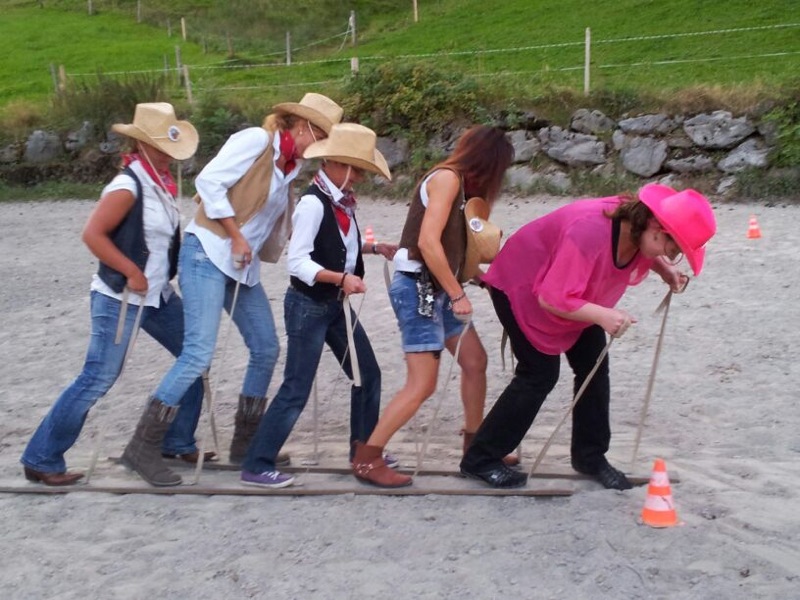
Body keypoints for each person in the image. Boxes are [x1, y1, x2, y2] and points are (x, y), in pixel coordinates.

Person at [122, 93, 343, 486]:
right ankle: (142, 447)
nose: (320, 145)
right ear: (299, 126)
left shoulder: (290, 166)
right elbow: (208, 182)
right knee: (197, 352)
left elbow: (271, 220)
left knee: (266, 347)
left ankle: (245, 443)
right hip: (206, 252)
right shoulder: (256, 140)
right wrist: (238, 237)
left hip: (241, 265)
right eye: (319, 135)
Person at [460, 183, 717, 489]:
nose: (668, 255)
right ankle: (480, 459)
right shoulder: (589, 233)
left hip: (575, 286)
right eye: (670, 249)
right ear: (656, 226)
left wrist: (665, 271)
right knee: (539, 374)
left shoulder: (640, 226)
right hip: (523, 283)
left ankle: (589, 456)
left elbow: (648, 248)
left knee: (594, 366)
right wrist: (603, 315)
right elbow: (552, 297)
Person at [20, 102, 202, 486]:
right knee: (98, 378)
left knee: (195, 354)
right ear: (142, 146)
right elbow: (92, 235)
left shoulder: (161, 183)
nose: (169, 154)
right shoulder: (128, 184)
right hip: (119, 295)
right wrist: (131, 270)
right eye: (162, 146)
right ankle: (41, 457)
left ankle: (175, 439)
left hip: (157, 294)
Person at [351, 125, 515, 488]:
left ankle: (477, 446)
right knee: (422, 384)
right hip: (419, 291)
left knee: (475, 361)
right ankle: (368, 457)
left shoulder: (459, 187)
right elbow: (427, 243)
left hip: (435, 289)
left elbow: (452, 248)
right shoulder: (446, 179)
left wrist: (479, 279)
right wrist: (458, 293)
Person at [240, 123, 396, 488]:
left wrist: (373, 248)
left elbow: (341, 247)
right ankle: (256, 463)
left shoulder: (339, 200)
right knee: (296, 386)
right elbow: (298, 262)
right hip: (309, 305)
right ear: (336, 164)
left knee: (368, 374)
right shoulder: (313, 203)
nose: (358, 177)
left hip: (334, 306)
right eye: (356, 169)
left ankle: (362, 450)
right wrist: (341, 279)